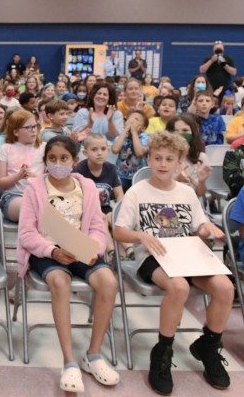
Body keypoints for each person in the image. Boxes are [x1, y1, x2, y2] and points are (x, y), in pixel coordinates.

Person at [114, 131, 233, 395]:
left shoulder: (187, 192)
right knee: (179, 287)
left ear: (180, 163)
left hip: (187, 255)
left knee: (225, 288)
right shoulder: (138, 191)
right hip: (154, 257)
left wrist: (206, 227)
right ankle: (163, 352)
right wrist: (141, 235)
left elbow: (198, 225)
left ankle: (209, 347)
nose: (163, 164)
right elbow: (119, 232)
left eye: (170, 159)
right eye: (157, 158)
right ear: (150, 159)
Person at [19, 136, 120, 393]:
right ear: (45, 162)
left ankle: (93, 355)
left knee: (109, 283)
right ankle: (69, 361)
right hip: (48, 251)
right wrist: (52, 250)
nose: (58, 163)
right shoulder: (35, 188)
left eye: (64, 158)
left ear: (75, 161)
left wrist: (93, 249)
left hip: (80, 248)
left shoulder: (86, 187)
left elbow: (98, 227)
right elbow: (27, 234)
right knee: (60, 283)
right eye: (52, 159)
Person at [0, 110, 44, 222]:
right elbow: (0, 184)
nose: (34, 130)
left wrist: (36, 177)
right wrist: (19, 176)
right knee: (29, 208)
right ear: (16, 132)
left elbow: (51, 178)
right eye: (28, 127)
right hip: (13, 196)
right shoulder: (6, 148)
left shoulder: (44, 147)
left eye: (35, 126)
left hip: (40, 195)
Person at [166, 114, 211, 198]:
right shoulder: (163, 158)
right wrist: (176, 179)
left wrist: (201, 182)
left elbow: (200, 194)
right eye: (175, 131)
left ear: (193, 133)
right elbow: (160, 189)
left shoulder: (201, 158)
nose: (180, 134)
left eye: (185, 130)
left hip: (193, 204)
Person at [111, 110, 150, 192]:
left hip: (139, 176)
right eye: (129, 119)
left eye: (136, 119)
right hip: (121, 175)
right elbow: (115, 149)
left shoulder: (146, 137)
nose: (131, 121)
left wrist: (134, 132)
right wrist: (125, 130)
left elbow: (139, 153)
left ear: (143, 128)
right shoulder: (121, 135)